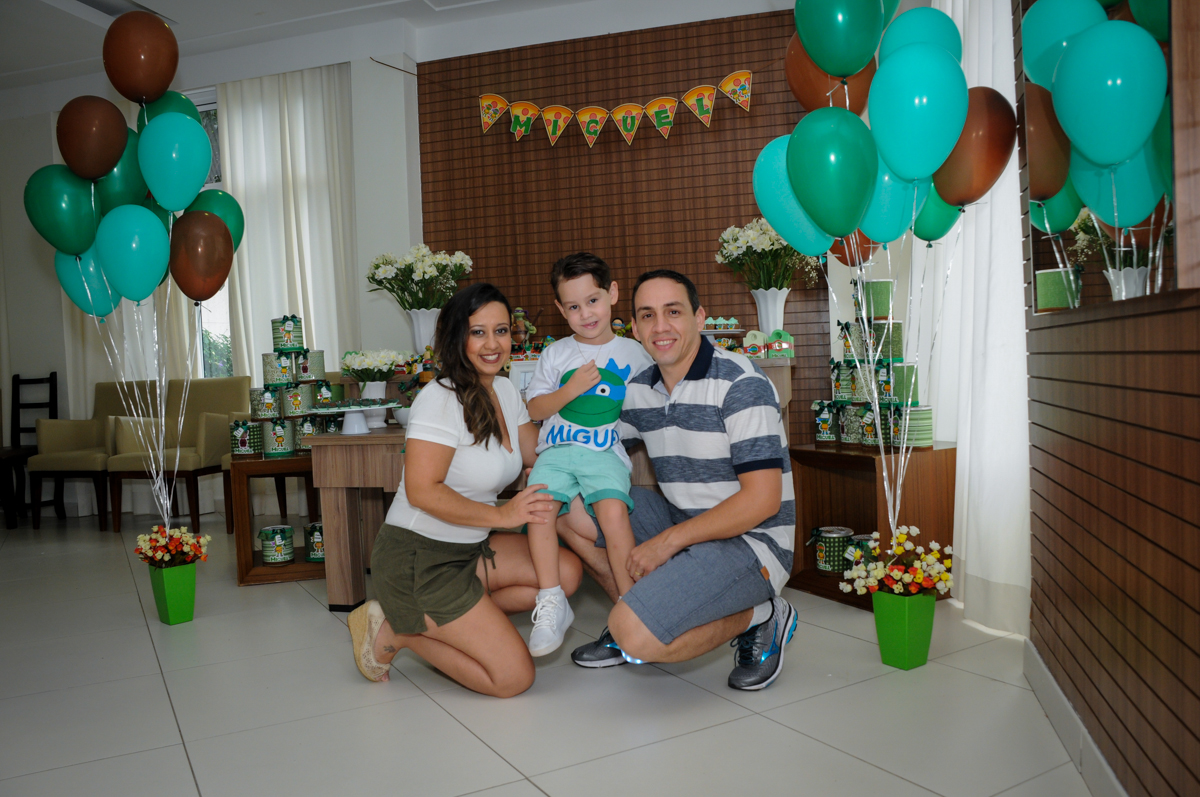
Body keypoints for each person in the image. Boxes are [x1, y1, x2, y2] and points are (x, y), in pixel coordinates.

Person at [558, 269, 798, 690]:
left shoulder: (740, 384)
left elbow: (763, 501)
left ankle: (761, 615)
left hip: (753, 543)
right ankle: (639, 609)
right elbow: (585, 443)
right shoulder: (640, 390)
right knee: (564, 507)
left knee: (635, 635)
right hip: (682, 520)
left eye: (673, 311)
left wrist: (668, 542)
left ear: (700, 317)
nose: (660, 326)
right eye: (647, 316)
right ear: (633, 328)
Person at [348, 283, 582, 697]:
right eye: (478, 332)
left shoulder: (506, 391)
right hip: (417, 559)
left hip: (468, 552)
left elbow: (536, 455)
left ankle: (455, 619)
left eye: (502, 330)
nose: (493, 344)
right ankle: (400, 631)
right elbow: (422, 491)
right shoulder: (438, 399)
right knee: (514, 678)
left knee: (565, 574)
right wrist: (502, 516)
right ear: (457, 337)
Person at [522, 253, 654, 656]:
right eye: (574, 307)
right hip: (557, 450)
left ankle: (632, 605)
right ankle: (551, 599)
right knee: (539, 507)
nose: (586, 313)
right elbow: (535, 410)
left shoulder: (635, 353)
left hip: (605, 454)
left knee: (614, 515)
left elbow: (651, 405)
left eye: (593, 300)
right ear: (561, 310)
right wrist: (571, 389)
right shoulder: (555, 354)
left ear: (613, 294)